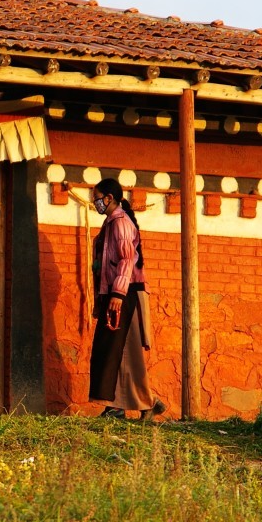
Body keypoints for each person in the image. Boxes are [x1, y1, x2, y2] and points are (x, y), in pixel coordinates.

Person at [88, 178, 166, 420]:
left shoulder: (121, 223)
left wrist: (118, 295)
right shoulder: (110, 224)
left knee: (124, 350)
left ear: (109, 198)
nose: (95, 203)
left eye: (97, 198)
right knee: (115, 350)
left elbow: (126, 260)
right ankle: (121, 405)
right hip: (114, 294)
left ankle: (144, 403)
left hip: (125, 293)